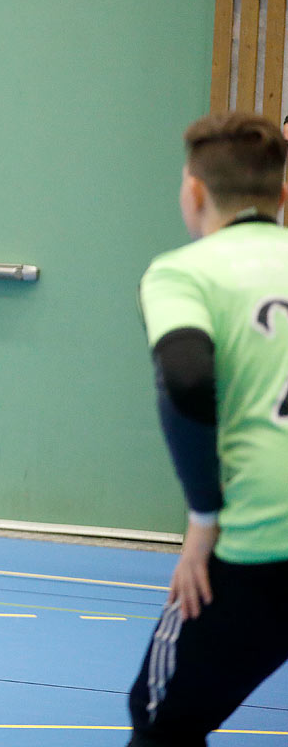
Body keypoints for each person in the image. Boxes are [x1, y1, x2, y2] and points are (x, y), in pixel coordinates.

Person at [126, 111, 288, 745]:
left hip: (263, 538)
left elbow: (188, 381)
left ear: (194, 192)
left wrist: (202, 517)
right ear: (281, 196)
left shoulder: (183, 272)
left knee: (162, 714)